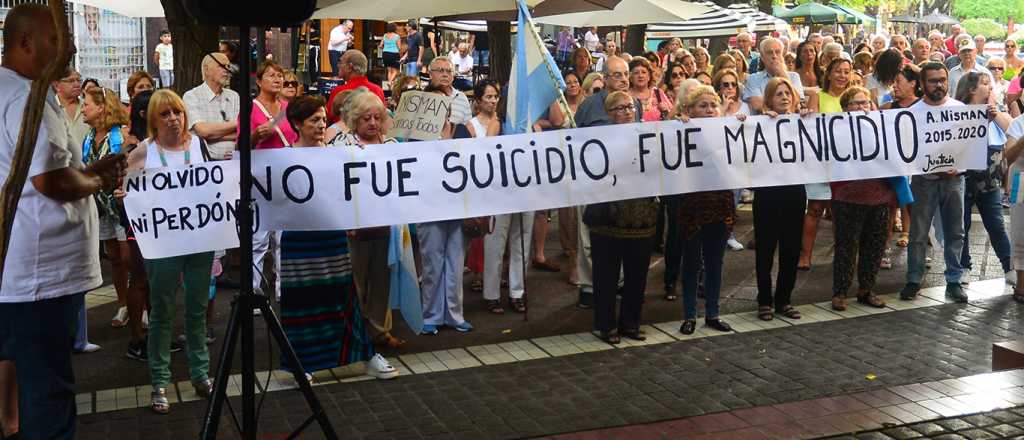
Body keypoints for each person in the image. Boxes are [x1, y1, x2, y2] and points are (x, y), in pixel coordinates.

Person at [0, 5, 125, 436]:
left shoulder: (13, 92)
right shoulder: (24, 99)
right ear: (26, 42)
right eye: (57, 38)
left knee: (24, 370)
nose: (67, 48)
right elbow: (51, 179)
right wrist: (98, 176)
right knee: (49, 389)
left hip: (20, 271)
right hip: (40, 274)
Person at [276, 94, 398, 380]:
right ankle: (301, 363)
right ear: (297, 124)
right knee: (303, 300)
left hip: (332, 236)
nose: (321, 125)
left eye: (322, 119)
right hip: (300, 240)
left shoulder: (337, 153)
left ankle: (365, 354)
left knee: (344, 297)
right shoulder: (284, 158)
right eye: (314, 120)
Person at [118, 89, 212, 414]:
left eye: (177, 112)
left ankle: (201, 372)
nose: (173, 119)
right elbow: (125, 187)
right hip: (164, 243)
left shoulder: (199, 145)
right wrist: (124, 195)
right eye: (165, 114)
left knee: (197, 310)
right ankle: (159, 379)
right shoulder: (146, 151)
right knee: (161, 311)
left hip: (199, 239)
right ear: (153, 120)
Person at [327, 90, 408, 351]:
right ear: (354, 120)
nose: (372, 123)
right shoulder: (341, 146)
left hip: (385, 227)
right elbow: (335, 188)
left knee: (381, 280)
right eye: (366, 119)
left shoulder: (391, 146)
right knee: (355, 283)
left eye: (377, 117)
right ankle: (354, 336)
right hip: (355, 229)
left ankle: (379, 333)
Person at [584, 90, 659, 343]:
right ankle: (606, 324)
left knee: (637, 274)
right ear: (608, 114)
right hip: (608, 220)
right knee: (606, 275)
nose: (627, 111)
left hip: (642, 217)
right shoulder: (597, 141)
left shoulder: (649, 135)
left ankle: (631, 322)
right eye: (620, 108)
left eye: (630, 107)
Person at [899, 62, 968, 303]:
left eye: (942, 80)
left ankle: (954, 280)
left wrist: (956, 168)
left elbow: (969, 146)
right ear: (922, 84)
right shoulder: (913, 113)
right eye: (933, 80)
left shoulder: (961, 109)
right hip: (924, 181)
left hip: (954, 180)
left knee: (955, 232)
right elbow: (907, 149)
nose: (939, 84)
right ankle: (914, 279)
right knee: (918, 233)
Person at [675, 85, 734, 335]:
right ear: (690, 110)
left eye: (713, 105)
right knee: (691, 263)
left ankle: (712, 313)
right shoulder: (680, 130)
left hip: (720, 204)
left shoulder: (728, 130)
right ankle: (689, 315)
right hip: (692, 206)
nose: (710, 110)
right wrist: (678, 125)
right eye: (703, 106)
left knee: (715, 262)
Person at [829, 86, 892, 311]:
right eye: (855, 103)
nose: (861, 107)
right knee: (846, 245)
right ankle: (840, 292)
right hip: (848, 197)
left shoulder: (881, 127)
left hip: (879, 196)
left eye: (865, 103)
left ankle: (866, 289)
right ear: (845, 108)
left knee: (874, 246)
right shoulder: (836, 130)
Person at [81, 87, 133, 353]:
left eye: (87, 104)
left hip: (120, 205)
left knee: (128, 257)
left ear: (101, 108)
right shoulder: (89, 137)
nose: (82, 108)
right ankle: (123, 304)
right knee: (113, 258)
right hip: (100, 207)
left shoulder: (119, 135)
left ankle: (141, 306)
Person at [753, 77, 808, 321]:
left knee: (791, 249)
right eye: (778, 94)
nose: (784, 97)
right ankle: (764, 300)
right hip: (767, 195)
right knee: (765, 249)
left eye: (788, 93)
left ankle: (784, 299)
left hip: (794, 194)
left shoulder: (804, 122)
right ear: (769, 100)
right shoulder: (759, 125)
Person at [954, 72, 1015, 285]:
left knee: (996, 225)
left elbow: (1011, 129)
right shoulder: (958, 112)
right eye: (985, 84)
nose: (990, 88)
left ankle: (1009, 268)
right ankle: (964, 267)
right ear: (971, 89)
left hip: (990, 183)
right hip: (963, 179)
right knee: (962, 225)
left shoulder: (996, 112)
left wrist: (994, 112)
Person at [122, 90, 154, 361]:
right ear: (144, 114)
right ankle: (137, 339)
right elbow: (126, 183)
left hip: (162, 222)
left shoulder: (162, 142)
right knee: (141, 279)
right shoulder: (133, 145)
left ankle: (156, 335)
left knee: (156, 281)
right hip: (140, 221)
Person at [184, 53, 240, 161]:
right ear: (206, 69)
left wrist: (210, 136)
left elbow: (242, 132)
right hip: (206, 166)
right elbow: (203, 131)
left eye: (228, 66)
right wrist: (237, 123)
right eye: (221, 66)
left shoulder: (234, 96)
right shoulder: (191, 96)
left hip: (234, 163)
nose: (226, 70)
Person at [742, 37, 804, 113]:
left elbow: (797, 101)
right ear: (762, 57)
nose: (774, 56)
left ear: (782, 55)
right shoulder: (753, 79)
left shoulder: (794, 77)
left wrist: (782, 74)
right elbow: (757, 105)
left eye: (777, 52)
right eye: (769, 52)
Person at [326, 50, 386, 124]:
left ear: (350, 67)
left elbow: (327, 117)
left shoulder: (339, 92)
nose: (338, 65)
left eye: (340, 62)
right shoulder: (378, 90)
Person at [1007, 113, 1024, 302]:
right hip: (1022, 182)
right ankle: (1021, 284)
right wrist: (1022, 142)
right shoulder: (1018, 123)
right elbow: (1008, 155)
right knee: (1020, 232)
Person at [427, 56, 472, 126]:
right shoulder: (421, 97)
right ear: (430, 74)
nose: (445, 75)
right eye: (440, 70)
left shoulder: (461, 98)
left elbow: (467, 129)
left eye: (449, 71)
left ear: (453, 76)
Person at [53, 69, 90, 152]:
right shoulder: (49, 110)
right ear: (56, 86)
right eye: (71, 81)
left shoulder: (89, 108)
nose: (77, 84)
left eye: (79, 80)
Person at [628, 57, 671, 122]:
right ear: (630, 77)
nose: (640, 76)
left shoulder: (658, 93)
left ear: (649, 76)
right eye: (636, 73)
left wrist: (666, 111)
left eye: (644, 72)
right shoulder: (626, 96)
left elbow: (671, 116)